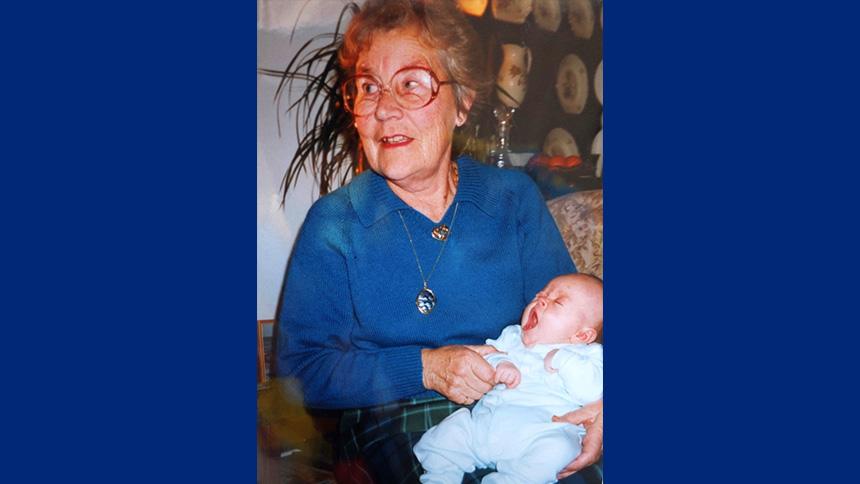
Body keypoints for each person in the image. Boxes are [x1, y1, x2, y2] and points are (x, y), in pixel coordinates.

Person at [276, 1, 603, 482]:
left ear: (462, 103)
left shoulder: (512, 200)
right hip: (395, 419)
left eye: (411, 84)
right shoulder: (336, 224)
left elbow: (584, 319)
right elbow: (298, 372)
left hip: (529, 409)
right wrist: (424, 368)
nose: (384, 108)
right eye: (368, 88)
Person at [413, 274, 603, 484]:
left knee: (562, 449)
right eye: (540, 295)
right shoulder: (513, 336)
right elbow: (487, 355)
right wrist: (500, 362)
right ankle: (440, 478)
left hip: (543, 432)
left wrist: (562, 359)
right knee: (446, 437)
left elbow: (591, 391)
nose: (541, 300)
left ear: (582, 336)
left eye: (557, 302)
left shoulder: (589, 355)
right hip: (486, 425)